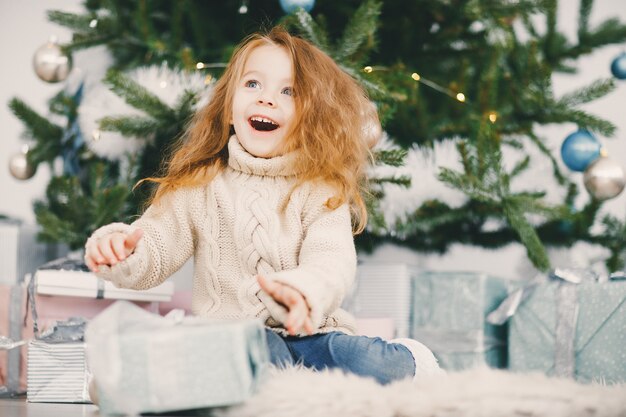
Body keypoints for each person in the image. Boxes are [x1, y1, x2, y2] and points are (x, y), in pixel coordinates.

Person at [84, 26, 442, 385]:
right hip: (235, 337)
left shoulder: (319, 190)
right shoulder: (199, 184)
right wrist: (123, 250)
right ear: (228, 108)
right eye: (253, 84)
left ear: (310, 119)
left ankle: (411, 360)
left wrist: (302, 293)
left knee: (370, 363)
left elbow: (332, 260)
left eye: (288, 91)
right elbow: (158, 243)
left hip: (313, 334)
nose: (266, 99)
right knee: (251, 358)